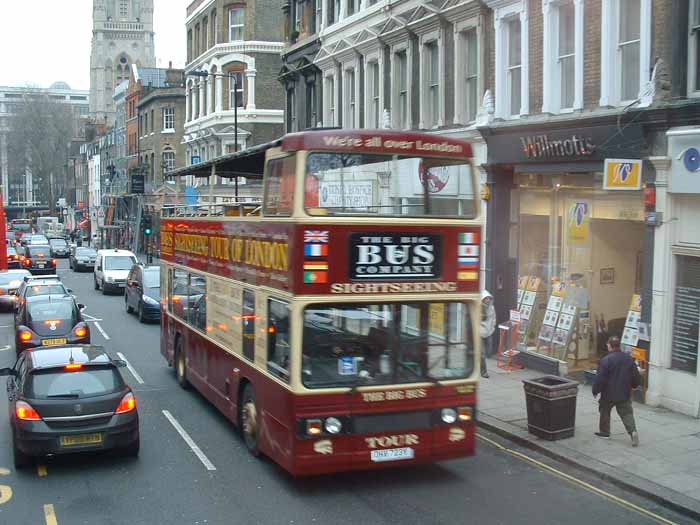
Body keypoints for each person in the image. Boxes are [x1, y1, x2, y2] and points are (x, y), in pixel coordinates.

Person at [592, 336, 641, 446]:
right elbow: (635, 376)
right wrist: (634, 385)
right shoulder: (628, 359)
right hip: (624, 393)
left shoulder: (606, 360)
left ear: (609, 345)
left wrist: (596, 390)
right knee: (627, 413)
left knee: (604, 411)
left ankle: (605, 432)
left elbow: (600, 378)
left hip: (608, 393)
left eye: (607, 345)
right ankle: (632, 431)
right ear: (619, 346)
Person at [480, 290, 496, 378]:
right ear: (482, 299)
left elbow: (494, 318)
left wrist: (493, 327)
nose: (488, 300)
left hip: (489, 332)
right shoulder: (478, 307)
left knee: (489, 352)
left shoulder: (492, 308)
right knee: (482, 354)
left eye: (489, 298)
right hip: (480, 333)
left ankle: (477, 362)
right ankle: (484, 372)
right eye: (486, 298)